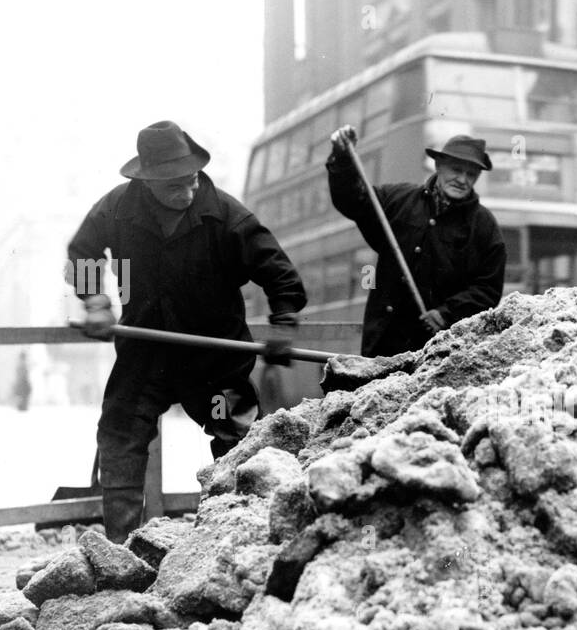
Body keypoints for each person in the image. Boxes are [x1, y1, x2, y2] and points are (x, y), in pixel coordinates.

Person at [67, 120, 307, 543]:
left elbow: (280, 273)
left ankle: (237, 535)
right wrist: (96, 302)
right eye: (175, 185)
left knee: (233, 435)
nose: (189, 191)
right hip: (146, 356)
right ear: (147, 181)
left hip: (211, 364)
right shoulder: (119, 209)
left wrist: (284, 323)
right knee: (122, 431)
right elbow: (82, 252)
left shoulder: (226, 216)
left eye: (192, 180)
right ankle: (121, 546)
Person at [327, 127, 506, 357]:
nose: (462, 180)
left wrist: (446, 314)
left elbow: (488, 289)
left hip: (439, 355)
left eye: (471, 174)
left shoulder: (484, 226)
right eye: (456, 169)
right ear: (438, 165)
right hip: (382, 347)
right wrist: (342, 158)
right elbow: (353, 200)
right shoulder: (398, 199)